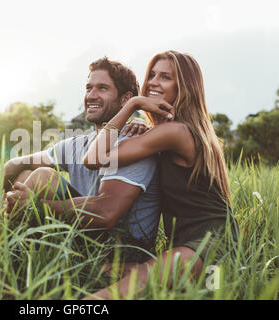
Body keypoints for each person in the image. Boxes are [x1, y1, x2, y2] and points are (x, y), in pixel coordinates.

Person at [82, 50, 237, 299]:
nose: (153, 82)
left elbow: (94, 158)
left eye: (165, 77)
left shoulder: (176, 132)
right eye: (152, 74)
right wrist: (144, 124)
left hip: (211, 247)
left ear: (184, 86)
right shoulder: (169, 132)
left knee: (109, 296)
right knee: (104, 271)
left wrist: (133, 104)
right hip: (186, 246)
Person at [0, 57, 161, 263]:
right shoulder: (78, 143)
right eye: (88, 88)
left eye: (102, 88)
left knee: (41, 178)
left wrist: (35, 206)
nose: (91, 95)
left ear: (126, 99)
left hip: (123, 250)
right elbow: (17, 162)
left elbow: (106, 212)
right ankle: (5, 249)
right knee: (24, 174)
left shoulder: (134, 142)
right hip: (87, 239)